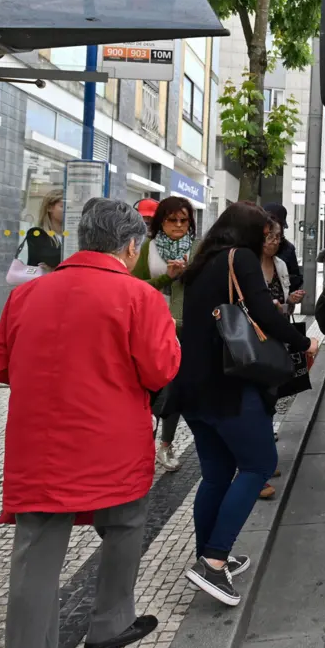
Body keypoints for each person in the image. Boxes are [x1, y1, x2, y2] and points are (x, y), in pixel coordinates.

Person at [0, 198, 180, 648]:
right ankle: (112, 621)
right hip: (111, 445)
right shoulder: (140, 298)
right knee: (127, 521)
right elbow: (160, 369)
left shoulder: (28, 295)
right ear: (131, 247)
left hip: (41, 448)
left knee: (36, 557)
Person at [174, 202, 318, 606]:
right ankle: (215, 562)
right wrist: (305, 342)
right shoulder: (241, 259)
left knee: (217, 475)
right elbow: (266, 319)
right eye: (265, 232)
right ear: (249, 233)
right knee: (257, 464)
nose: (269, 240)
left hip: (193, 387)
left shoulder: (203, 263)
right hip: (229, 386)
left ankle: (208, 554)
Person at [131, 196, 197, 472]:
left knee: (178, 389)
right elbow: (135, 285)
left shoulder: (198, 247)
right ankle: (141, 445)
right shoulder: (148, 248)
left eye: (184, 220)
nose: (179, 226)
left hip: (189, 326)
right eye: (172, 220)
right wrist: (166, 277)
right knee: (152, 387)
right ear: (162, 222)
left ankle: (166, 445)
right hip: (154, 325)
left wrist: (189, 273)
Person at [256, 217, 305, 501]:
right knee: (257, 402)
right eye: (269, 237)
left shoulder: (282, 266)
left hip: (275, 342)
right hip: (251, 344)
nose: (273, 242)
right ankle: (257, 468)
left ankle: (263, 461)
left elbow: (284, 308)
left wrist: (290, 302)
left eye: (277, 238)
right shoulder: (247, 265)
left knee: (270, 400)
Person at [263, 203, 303, 293]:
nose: (275, 241)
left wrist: (290, 297)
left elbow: (296, 279)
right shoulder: (249, 252)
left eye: (277, 235)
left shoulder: (288, 249)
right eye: (269, 235)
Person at [24, 189, 65, 271]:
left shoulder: (70, 236)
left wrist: (53, 269)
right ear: (49, 208)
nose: (67, 210)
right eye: (62, 206)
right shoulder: (36, 233)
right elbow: (51, 258)